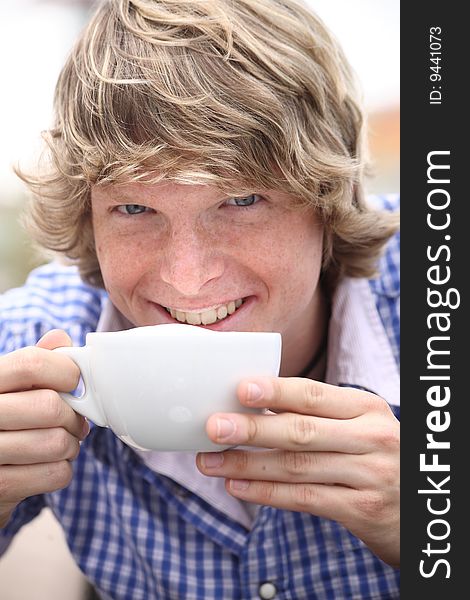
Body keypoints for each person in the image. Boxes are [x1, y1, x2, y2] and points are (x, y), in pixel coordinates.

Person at [0, 0, 400, 598]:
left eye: (240, 201)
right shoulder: (38, 345)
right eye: (134, 209)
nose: (187, 279)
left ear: (328, 199)